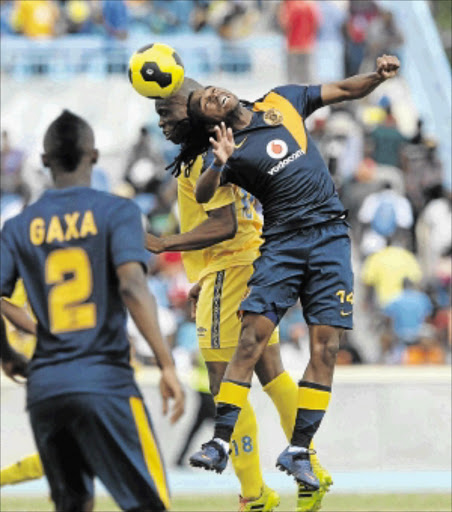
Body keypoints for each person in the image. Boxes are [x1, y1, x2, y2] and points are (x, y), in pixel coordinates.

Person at [184, 54, 400, 489]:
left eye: (210, 90)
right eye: (205, 103)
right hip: (282, 242)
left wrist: (376, 78)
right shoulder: (227, 150)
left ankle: (299, 449)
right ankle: (220, 441)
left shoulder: (281, 101)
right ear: (210, 124)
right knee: (252, 337)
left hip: (331, 237)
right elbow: (206, 192)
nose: (213, 94)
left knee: (326, 348)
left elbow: (342, 90)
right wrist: (220, 163)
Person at [146, 78, 332, 512]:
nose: (162, 123)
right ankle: (312, 469)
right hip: (251, 260)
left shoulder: (203, 155)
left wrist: (164, 243)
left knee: (221, 382)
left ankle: (254, 494)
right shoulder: (228, 144)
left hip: (232, 266)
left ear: (191, 110)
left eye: (167, 112)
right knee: (270, 372)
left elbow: (225, 223)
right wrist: (201, 276)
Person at [0, 110, 185, 512]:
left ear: (45, 161)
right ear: (94, 156)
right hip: (106, 381)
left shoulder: (17, 227)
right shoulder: (117, 212)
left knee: (74, 505)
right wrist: (167, 364)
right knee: (151, 505)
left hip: (46, 385)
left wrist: (8, 354)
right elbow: (133, 286)